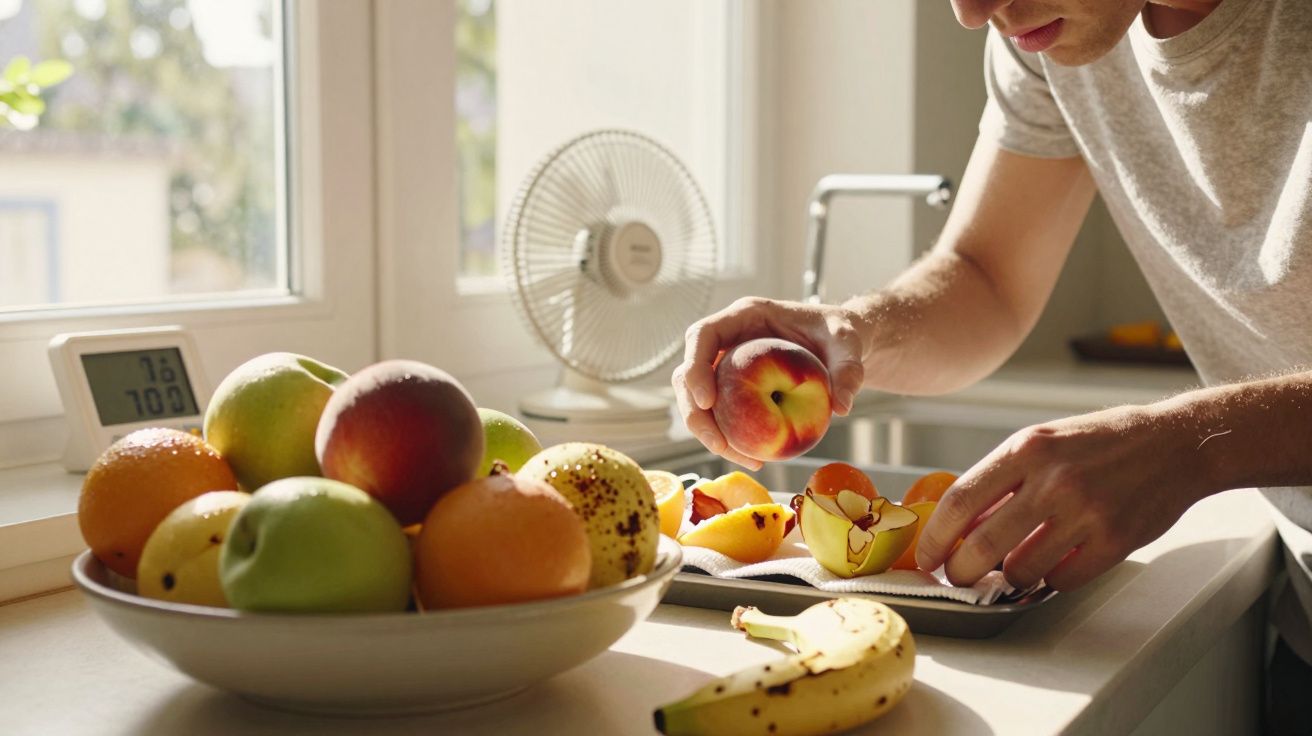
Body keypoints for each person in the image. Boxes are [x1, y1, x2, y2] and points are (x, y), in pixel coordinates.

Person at [673, 0, 1312, 730]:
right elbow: (988, 277)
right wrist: (851, 331)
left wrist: (1189, 448)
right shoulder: (1050, 30)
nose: (973, 12)